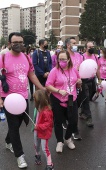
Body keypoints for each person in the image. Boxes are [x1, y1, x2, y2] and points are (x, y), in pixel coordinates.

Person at [0, 32, 45, 169]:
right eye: (15, 42)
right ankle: (20, 156)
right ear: (9, 44)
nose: (18, 44)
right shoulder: (3, 58)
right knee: (14, 126)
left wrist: (41, 88)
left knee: (19, 123)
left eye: (20, 42)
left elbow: (30, 74)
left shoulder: (26, 57)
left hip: (23, 97)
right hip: (8, 98)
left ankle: (8, 141)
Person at [46, 50, 82, 153]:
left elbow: (78, 83)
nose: (61, 61)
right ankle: (59, 142)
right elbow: (48, 85)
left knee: (73, 121)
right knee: (58, 121)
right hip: (57, 99)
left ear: (69, 59)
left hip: (72, 99)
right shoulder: (54, 71)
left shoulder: (74, 70)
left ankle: (67, 138)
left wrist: (79, 82)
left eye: (63, 59)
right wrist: (58, 90)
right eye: (59, 59)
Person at [79, 41, 101, 127]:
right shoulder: (82, 57)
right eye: (89, 47)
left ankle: (82, 112)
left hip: (92, 80)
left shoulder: (95, 57)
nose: (91, 48)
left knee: (88, 98)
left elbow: (97, 69)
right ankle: (89, 117)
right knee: (86, 97)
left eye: (92, 46)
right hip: (84, 81)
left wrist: (99, 79)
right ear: (85, 48)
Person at [65, 37, 83, 140]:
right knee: (70, 108)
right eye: (73, 43)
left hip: (78, 84)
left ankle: (72, 126)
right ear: (68, 45)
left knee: (75, 107)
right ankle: (74, 129)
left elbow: (82, 68)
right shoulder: (64, 56)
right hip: (67, 85)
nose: (75, 45)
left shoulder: (79, 56)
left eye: (76, 43)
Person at [33, 89, 54, 170]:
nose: (33, 100)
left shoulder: (46, 111)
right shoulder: (38, 108)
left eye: (35, 99)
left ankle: (50, 164)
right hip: (37, 130)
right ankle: (37, 155)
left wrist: (37, 127)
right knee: (36, 144)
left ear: (40, 100)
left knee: (44, 148)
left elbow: (47, 124)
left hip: (44, 132)